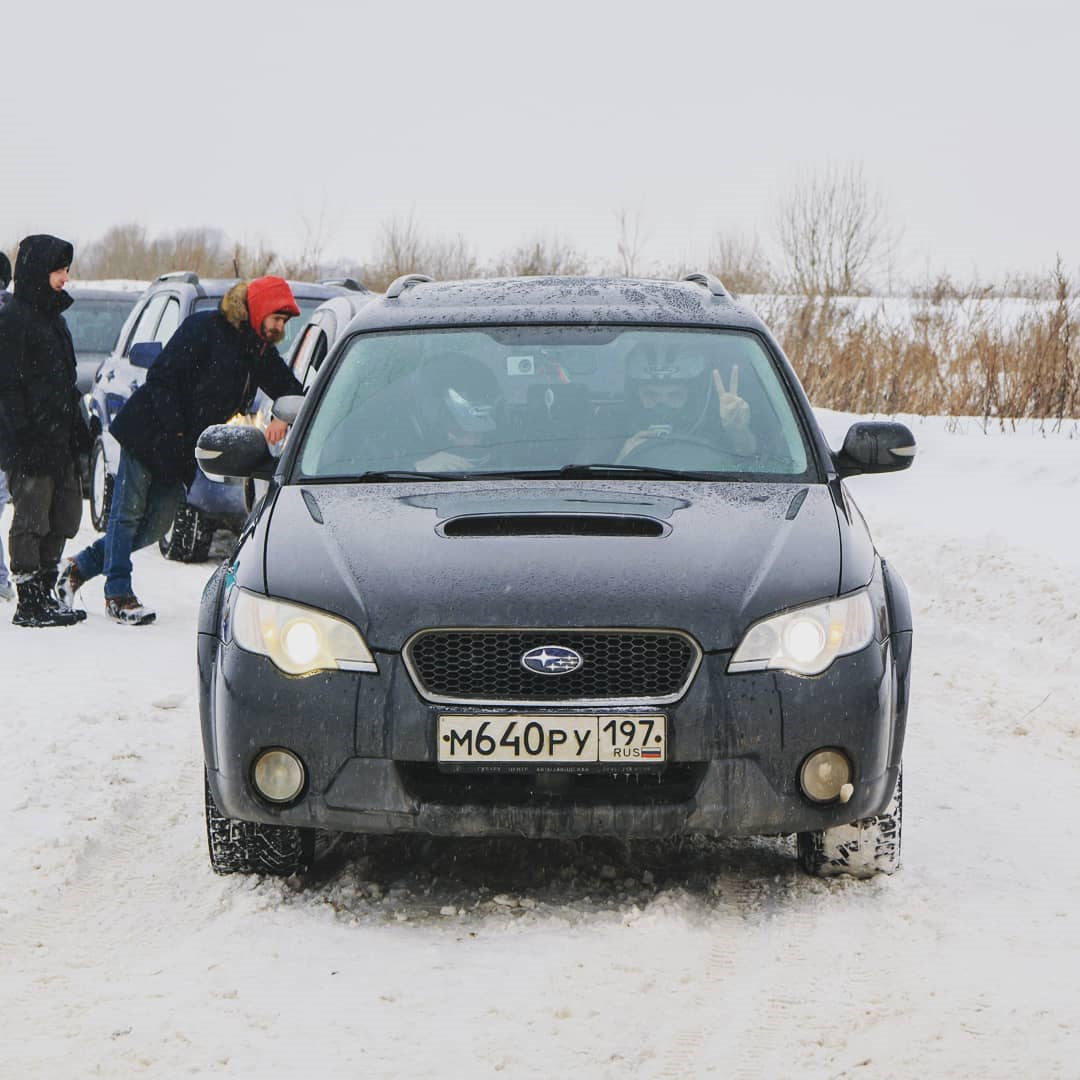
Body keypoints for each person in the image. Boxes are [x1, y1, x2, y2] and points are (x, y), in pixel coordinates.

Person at [60, 276, 304, 625]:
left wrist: (283, 412)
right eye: (277, 318)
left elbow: (289, 389)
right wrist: (176, 430)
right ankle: (118, 594)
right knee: (126, 517)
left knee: (156, 526)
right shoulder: (205, 328)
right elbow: (162, 378)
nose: (280, 327)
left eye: (284, 322)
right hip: (151, 431)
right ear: (260, 309)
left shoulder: (258, 351)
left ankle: (77, 568)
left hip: (182, 449)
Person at [0, 234, 91, 627]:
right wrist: (22, 438)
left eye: (67, 270)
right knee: (32, 519)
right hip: (30, 443)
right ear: (38, 270)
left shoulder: (56, 321)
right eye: (58, 270)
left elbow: (66, 383)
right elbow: (6, 388)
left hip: (61, 440)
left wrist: (79, 429)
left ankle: (47, 585)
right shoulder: (14, 320)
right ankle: (29, 599)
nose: (65, 278)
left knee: (66, 515)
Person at [615, 341, 756, 463]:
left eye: (675, 395)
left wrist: (738, 432)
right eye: (651, 395)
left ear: (693, 398)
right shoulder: (612, 433)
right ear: (635, 397)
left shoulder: (718, 425)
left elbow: (750, 465)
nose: (662, 406)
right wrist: (623, 459)